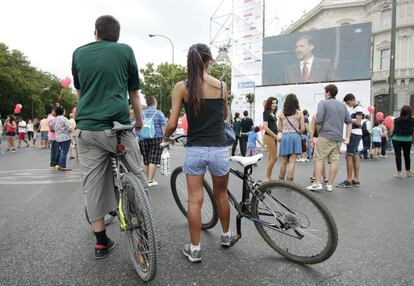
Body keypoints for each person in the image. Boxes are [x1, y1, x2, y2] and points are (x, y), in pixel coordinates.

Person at [72, 15, 147, 259]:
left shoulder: (79, 53)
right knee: (136, 173)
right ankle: (143, 227)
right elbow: (134, 93)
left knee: (93, 185)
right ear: (117, 34)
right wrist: (138, 121)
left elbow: (80, 93)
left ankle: (101, 243)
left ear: (96, 32)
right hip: (117, 128)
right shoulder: (125, 51)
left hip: (87, 130)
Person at [163, 43, 233, 263]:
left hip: (195, 149)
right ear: (209, 60)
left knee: (195, 200)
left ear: (189, 61)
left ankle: (194, 249)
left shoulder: (182, 87)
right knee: (221, 194)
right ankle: (226, 236)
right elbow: (224, 116)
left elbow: (173, 123)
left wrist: (165, 137)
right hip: (219, 148)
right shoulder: (222, 85)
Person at [306, 84, 352, 192]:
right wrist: (347, 137)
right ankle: (330, 184)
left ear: (328, 93)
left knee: (318, 159)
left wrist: (319, 132)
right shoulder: (342, 106)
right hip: (338, 138)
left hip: (325, 136)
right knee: (334, 161)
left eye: (324, 92)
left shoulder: (323, 104)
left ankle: (317, 183)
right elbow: (349, 122)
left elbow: (318, 121)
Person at [337, 93, 364, 188]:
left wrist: (348, 119)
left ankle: (348, 180)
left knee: (349, 156)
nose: (348, 105)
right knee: (355, 156)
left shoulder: (358, 108)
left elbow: (358, 122)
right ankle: (356, 179)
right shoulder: (356, 108)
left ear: (352, 100)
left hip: (354, 134)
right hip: (356, 133)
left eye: (348, 103)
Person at [138, 96, 167, 186]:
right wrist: (164, 139)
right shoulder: (159, 113)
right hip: (156, 138)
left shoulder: (142, 113)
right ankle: (150, 180)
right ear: (155, 103)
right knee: (153, 159)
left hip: (143, 138)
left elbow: (138, 126)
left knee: (146, 160)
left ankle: (146, 179)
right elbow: (164, 128)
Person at [277, 94, 305, 181]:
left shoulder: (281, 114)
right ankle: (289, 182)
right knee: (292, 161)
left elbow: (279, 129)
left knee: (283, 161)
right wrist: (298, 132)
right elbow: (303, 129)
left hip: (285, 137)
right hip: (295, 137)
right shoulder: (299, 113)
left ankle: (281, 181)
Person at [390, 105, 414, 177]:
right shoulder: (412, 120)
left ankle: (399, 173)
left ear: (401, 112)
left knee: (398, 155)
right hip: (408, 139)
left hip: (396, 139)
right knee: (407, 155)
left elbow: (391, 130)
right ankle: (408, 171)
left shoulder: (396, 120)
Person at [262, 96, 279, 181]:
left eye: (276, 103)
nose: (274, 105)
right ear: (269, 103)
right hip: (269, 137)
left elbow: (274, 126)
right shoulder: (266, 112)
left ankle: (268, 177)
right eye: (273, 103)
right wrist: (275, 136)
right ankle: (267, 178)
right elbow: (266, 127)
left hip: (273, 137)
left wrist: (278, 133)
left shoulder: (273, 113)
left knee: (271, 158)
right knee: (274, 158)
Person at [53, 106, 72, 171]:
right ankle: (62, 166)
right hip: (66, 137)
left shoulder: (54, 119)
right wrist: (70, 129)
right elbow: (69, 128)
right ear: (62, 111)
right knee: (64, 151)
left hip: (58, 137)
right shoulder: (64, 119)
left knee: (61, 151)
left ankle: (60, 165)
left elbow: (53, 128)